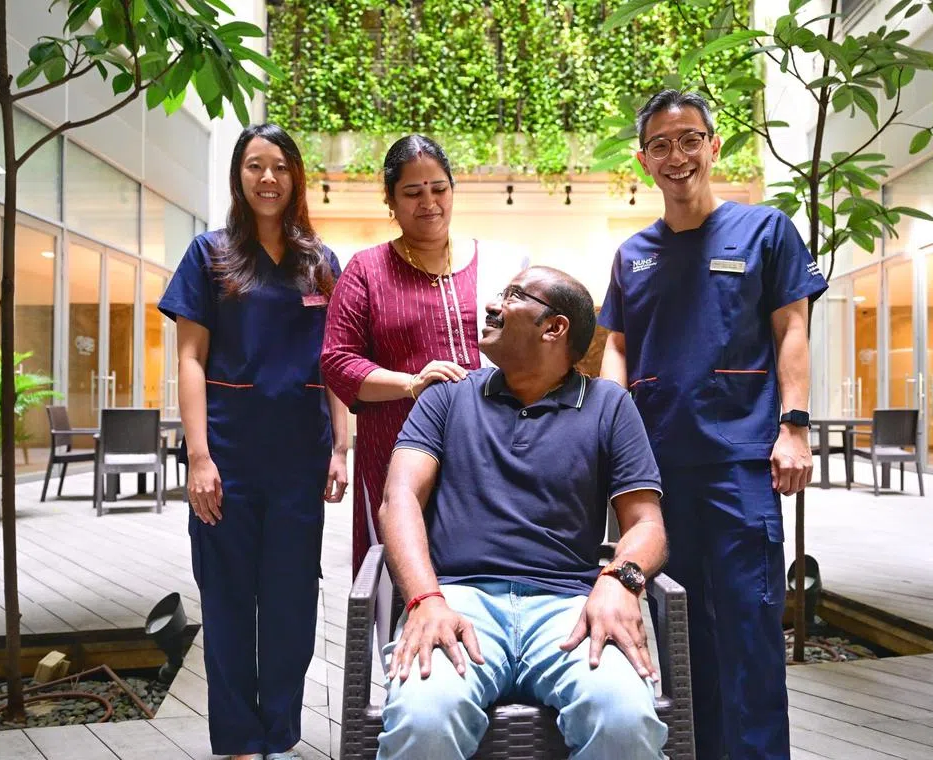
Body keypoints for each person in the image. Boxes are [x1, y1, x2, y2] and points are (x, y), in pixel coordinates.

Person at [598, 89, 828, 760]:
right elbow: (617, 345)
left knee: (749, 633)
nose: (677, 155)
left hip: (738, 467)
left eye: (690, 139)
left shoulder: (767, 232)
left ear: (714, 146)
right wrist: (609, 434)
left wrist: (794, 426)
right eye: (662, 145)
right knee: (677, 633)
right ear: (644, 160)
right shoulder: (632, 254)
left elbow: (792, 331)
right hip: (654, 477)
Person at [376, 266, 670, 760]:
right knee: (424, 718)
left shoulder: (609, 406)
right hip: (458, 601)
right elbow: (398, 499)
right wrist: (425, 599)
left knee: (625, 719)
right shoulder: (447, 395)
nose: (492, 304)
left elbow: (646, 525)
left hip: (567, 611)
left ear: (554, 328)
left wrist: (620, 581)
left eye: (513, 296)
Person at [158, 124, 349, 760]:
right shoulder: (209, 256)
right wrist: (200, 458)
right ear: (238, 177)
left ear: (296, 177)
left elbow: (336, 363)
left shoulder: (321, 263)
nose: (268, 179)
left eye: (280, 167)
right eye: (254, 166)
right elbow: (189, 360)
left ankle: (279, 734)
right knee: (232, 602)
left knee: (293, 606)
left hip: (299, 460)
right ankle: (240, 742)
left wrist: (340, 448)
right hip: (230, 461)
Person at [321, 134, 526, 644]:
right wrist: (412, 383)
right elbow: (337, 362)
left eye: (438, 188)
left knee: (485, 585)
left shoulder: (497, 265)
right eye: (412, 192)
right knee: (401, 586)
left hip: (488, 459)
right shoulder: (366, 271)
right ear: (390, 201)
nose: (428, 202)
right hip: (394, 456)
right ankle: (404, 694)